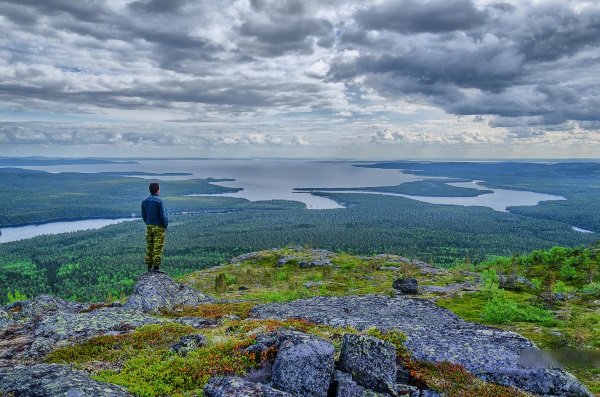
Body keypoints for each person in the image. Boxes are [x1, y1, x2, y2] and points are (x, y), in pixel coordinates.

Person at [141, 182, 168, 273]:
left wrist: (148, 222)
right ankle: (156, 267)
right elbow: (163, 215)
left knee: (149, 245)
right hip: (159, 226)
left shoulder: (144, 201)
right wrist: (165, 225)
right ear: (158, 190)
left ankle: (149, 267)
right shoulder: (160, 201)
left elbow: (143, 214)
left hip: (149, 226)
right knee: (158, 245)